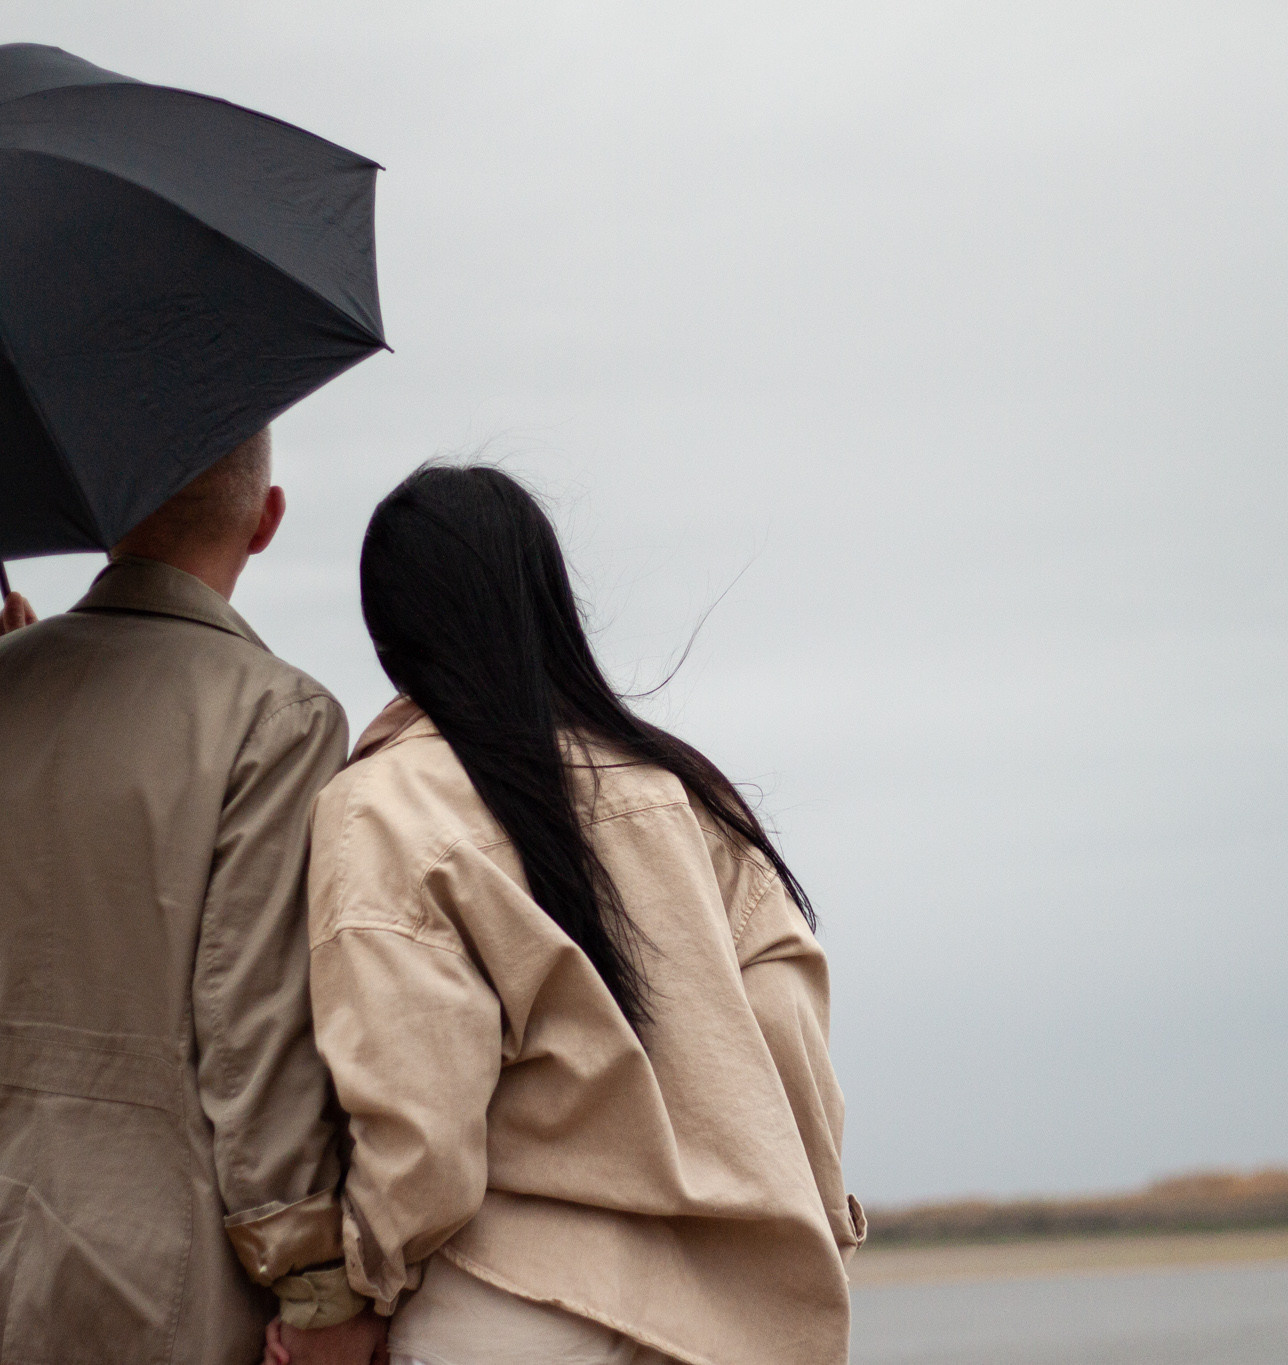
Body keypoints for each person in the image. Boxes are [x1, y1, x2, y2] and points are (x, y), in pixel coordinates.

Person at [272, 465, 864, 1365]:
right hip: (722, 1322)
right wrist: (818, 1221)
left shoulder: (381, 805)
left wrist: (359, 1290)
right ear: (549, 601)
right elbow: (788, 1032)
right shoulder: (684, 791)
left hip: (507, 1310)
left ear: (389, 633)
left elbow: (420, 1120)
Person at [0, 430, 390, 1365]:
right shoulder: (280, 716)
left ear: (106, 512)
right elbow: (257, 1037)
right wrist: (316, 1290)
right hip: (166, 1298)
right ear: (266, 522)